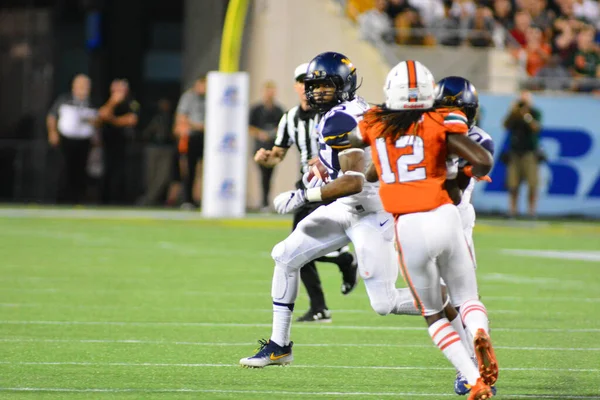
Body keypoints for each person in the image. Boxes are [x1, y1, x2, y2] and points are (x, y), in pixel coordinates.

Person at [239, 52, 422, 368]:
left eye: (326, 86)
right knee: (284, 255)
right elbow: (348, 168)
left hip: (372, 212)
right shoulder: (349, 109)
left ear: (344, 85)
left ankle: (451, 300)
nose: (317, 92)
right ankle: (279, 346)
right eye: (314, 86)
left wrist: (303, 195)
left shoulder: (341, 118)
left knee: (384, 303)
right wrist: (320, 165)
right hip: (346, 208)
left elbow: (353, 181)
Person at [358, 60, 498, 400]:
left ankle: (471, 378)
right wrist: (456, 178)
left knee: (433, 311)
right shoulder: (447, 121)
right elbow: (481, 160)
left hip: (407, 224)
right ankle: (479, 333)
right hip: (446, 214)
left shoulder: (375, 122)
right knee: (467, 298)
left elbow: (369, 164)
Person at [254, 63, 358, 323]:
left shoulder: (332, 114)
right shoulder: (289, 118)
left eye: (315, 83)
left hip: (333, 187)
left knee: (298, 247)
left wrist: (326, 161)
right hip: (306, 186)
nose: (309, 88)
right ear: (296, 86)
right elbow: (277, 155)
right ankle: (327, 291)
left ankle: (339, 270)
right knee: (295, 249)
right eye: (304, 82)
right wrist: (265, 158)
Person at [435, 76, 497, 396]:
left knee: (448, 299)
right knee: (455, 297)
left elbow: (456, 193)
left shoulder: (477, 140)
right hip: (442, 218)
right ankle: (474, 349)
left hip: (446, 218)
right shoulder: (477, 138)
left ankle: (470, 364)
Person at [46, 74, 98, 204]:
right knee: (63, 170)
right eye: (80, 85)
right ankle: (61, 200)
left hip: (84, 142)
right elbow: (52, 116)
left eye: (86, 85)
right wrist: (52, 132)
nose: (83, 88)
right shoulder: (64, 100)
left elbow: (98, 121)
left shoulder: (92, 103)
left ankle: (78, 200)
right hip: (66, 141)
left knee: (80, 172)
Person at [98, 79, 140, 205]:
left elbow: (131, 120)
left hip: (126, 144)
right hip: (108, 143)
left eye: (122, 89)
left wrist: (112, 120)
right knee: (107, 171)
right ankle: (105, 200)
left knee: (124, 172)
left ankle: (123, 200)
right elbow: (101, 116)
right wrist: (112, 102)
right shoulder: (107, 101)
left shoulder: (132, 103)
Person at [502, 90, 542, 218]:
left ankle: (531, 212)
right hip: (515, 152)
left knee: (532, 184)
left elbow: (536, 128)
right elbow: (505, 125)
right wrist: (513, 111)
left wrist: (526, 115)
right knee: (513, 184)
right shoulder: (514, 115)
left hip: (529, 152)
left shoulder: (535, 113)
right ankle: (513, 211)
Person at [248, 82, 285, 212]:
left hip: (272, 147)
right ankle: (263, 201)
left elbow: (282, 127)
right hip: (260, 147)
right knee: (262, 174)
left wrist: (273, 133)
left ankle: (266, 201)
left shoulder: (278, 110)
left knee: (269, 175)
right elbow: (250, 126)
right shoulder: (256, 110)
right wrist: (260, 134)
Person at [174, 75, 207, 210]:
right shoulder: (188, 97)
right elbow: (181, 118)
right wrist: (198, 126)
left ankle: (202, 198)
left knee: (204, 170)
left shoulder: (210, 98)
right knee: (189, 168)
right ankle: (187, 199)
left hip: (206, 137)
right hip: (191, 137)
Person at [139, 98, 176, 206]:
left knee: (163, 176)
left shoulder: (171, 118)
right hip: (152, 146)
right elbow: (145, 132)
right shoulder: (151, 117)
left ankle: (150, 198)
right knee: (150, 175)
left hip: (167, 147)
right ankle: (149, 198)